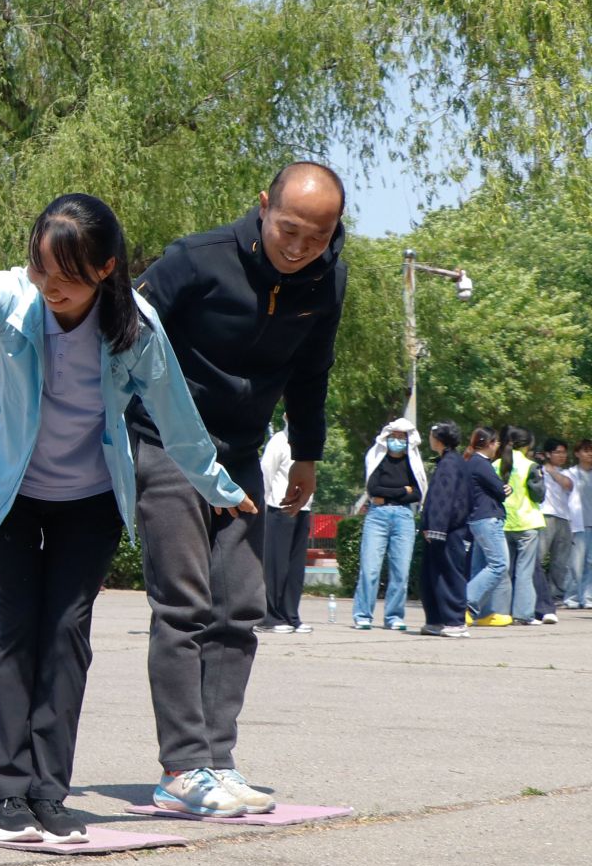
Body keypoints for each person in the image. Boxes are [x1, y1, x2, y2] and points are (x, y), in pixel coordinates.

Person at [0, 194, 249, 842]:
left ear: (105, 268)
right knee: (13, 631)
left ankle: (50, 791)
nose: (50, 287)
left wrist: (217, 484)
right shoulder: (13, 299)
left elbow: (176, 415)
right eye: (41, 268)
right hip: (5, 492)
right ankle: (7, 794)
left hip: (89, 497)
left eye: (68, 275)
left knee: (68, 634)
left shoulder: (136, 327)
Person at [127, 162, 347, 817]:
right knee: (184, 604)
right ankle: (181, 767)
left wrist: (307, 453)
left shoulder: (327, 277)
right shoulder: (196, 260)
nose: (300, 247)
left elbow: (312, 369)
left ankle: (217, 760)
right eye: (289, 229)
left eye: (318, 235)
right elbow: (121, 331)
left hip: (242, 451)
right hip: (168, 442)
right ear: (263, 206)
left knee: (240, 606)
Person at [351, 416, 426, 631]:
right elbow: (373, 489)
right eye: (394, 436)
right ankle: (363, 615)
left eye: (402, 437)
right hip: (377, 516)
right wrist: (403, 490)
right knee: (370, 569)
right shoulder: (378, 459)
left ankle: (394, 616)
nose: (397, 441)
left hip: (403, 517)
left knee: (400, 571)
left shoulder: (412, 463)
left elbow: (417, 493)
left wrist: (391, 494)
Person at [418, 421, 473, 637]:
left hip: (447, 532)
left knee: (449, 575)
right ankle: (436, 620)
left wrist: (435, 529)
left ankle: (455, 621)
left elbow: (444, 499)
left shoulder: (450, 464)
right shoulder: (449, 461)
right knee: (431, 576)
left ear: (439, 439)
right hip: (443, 531)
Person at [259, 425, 313, 634]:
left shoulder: (308, 443)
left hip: (303, 509)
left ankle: (291, 615)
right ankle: (269, 616)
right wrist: (264, 504)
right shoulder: (279, 441)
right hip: (279, 508)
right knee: (276, 566)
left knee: (295, 567)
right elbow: (266, 472)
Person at [462, 427, 513, 627]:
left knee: (481, 567)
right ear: (489, 443)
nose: (498, 446)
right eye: (496, 442)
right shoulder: (481, 463)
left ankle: (482, 613)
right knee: (499, 564)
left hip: (479, 519)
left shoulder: (473, 462)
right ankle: (463, 604)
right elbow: (500, 490)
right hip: (487, 519)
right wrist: (507, 489)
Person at [496, 426, 546, 626]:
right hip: (526, 523)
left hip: (503, 523)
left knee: (504, 571)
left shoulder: (495, 464)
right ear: (526, 446)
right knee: (524, 571)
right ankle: (523, 614)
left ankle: (501, 612)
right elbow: (538, 495)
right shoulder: (530, 466)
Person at [534, 436, 576, 617]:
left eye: (564, 452)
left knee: (560, 561)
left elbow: (568, 485)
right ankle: (536, 595)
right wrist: (545, 468)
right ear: (548, 454)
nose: (562, 455)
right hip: (545, 516)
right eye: (558, 452)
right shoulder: (538, 470)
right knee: (538, 557)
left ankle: (556, 595)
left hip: (564, 518)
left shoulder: (567, 473)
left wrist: (551, 470)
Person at [572, 440, 592, 610]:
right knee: (576, 563)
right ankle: (572, 597)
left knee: (591, 563)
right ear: (577, 453)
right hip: (578, 523)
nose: (590, 454)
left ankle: (587, 597)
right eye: (586, 450)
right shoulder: (571, 473)